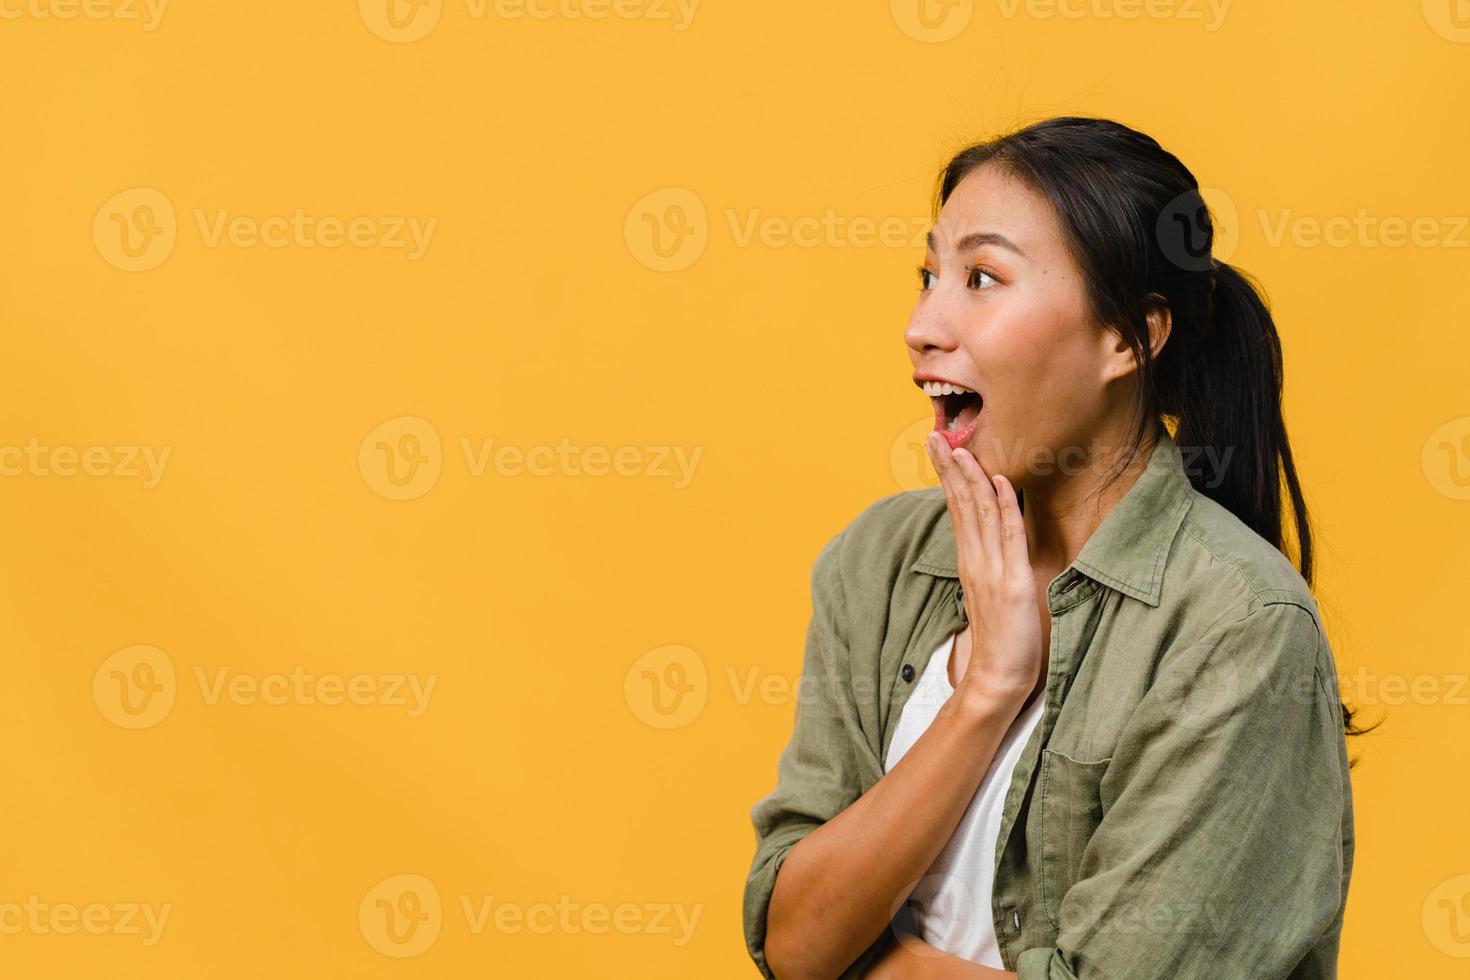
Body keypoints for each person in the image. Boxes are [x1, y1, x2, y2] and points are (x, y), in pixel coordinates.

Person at [741, 116, 1360, 979]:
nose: (922, 326)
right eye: (929, 276)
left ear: (1126, 339)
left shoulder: (1237, 627)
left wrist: (863, 958)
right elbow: (793, 936)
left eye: (982, 278)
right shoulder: (878, 562)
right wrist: (987, 692)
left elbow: (820, 954)